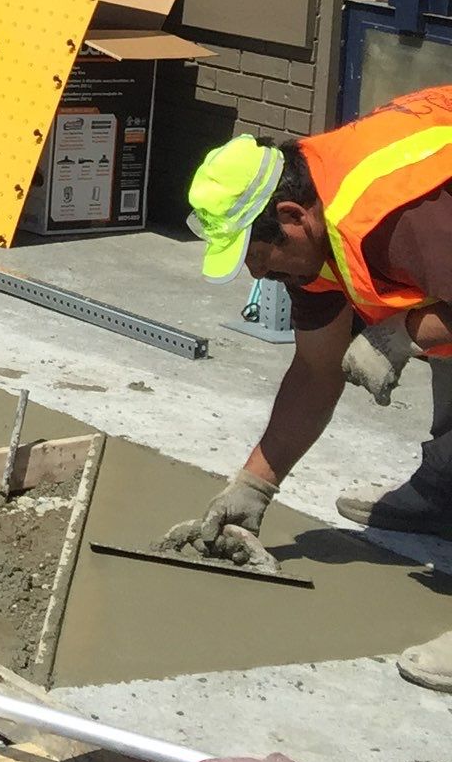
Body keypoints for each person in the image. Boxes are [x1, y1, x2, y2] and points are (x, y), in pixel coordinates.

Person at [173, 87, 452, 693]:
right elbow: (316, 370)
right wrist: (253, 485)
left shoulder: (397, 219)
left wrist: (403, 335)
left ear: (293, 218)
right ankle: (446, 488)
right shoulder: (310, 232)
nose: (255, 272)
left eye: (255, 250)